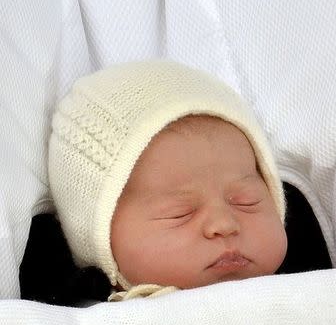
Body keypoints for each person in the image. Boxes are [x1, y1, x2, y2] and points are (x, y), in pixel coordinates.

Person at [48, 60, 287, 301]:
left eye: (246, 201)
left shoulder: (314, 290)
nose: (224, 224)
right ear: (100, 241)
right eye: (180, 213)